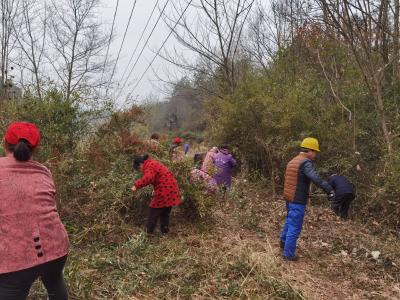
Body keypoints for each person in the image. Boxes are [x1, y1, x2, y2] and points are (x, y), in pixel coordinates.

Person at [0, 122, 69, 300]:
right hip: (57, 247)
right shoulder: (43, 171)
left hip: (16, 257)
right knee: (55, 283)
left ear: (4, 142)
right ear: (35, 149)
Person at [280, 137, 334, 261]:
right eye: (315, 152)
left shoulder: (293, 160)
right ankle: (288, 254)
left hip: (289, 197)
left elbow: (295, 180)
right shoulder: (305, 163)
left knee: (289, 220)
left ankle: (283, 243)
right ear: (309, 150)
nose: (315, 155)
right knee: (295, 226)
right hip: (297, 200)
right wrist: (329, 190)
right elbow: (316, 178)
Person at [131, 154, 181, 234]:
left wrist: (136, 185)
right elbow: (160, 177)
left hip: (165, 189)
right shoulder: (152, 163)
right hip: (172, 188)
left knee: (153, 211)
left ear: (140, 164)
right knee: (165, 212)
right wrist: (155, 189)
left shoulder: (149, 165)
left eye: (139, 169)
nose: (141, 171)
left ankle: (147, 232)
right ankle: (164, 231)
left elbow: (148, 178)